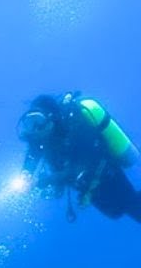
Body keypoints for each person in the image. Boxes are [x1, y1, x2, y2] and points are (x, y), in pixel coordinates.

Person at [17, 92, 140, 222]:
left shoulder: (75, 124)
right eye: (29, 123)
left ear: (51, 117)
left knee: (130, 204)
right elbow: (32, 155)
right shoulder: (39, 135)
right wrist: (26, 174)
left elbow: (81, 165)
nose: (35, 128)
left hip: (104, 172)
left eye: (38, 120)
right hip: (85, 184)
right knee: (116, 212)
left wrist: (45, 181)